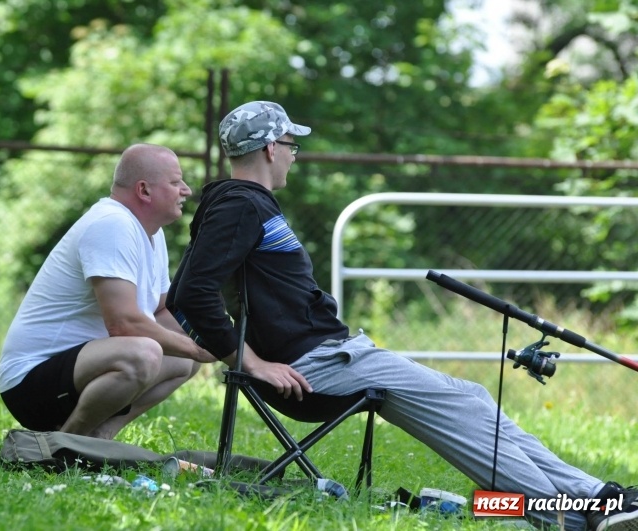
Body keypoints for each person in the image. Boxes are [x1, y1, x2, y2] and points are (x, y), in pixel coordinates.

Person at [167, 101, 637, 531]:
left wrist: (238, 354)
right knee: (464, 405)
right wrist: (249, 363)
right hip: (317, 364)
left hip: (331, 355)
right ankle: (576, 518)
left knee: (471, 396)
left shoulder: (237, 204)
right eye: (292, 146)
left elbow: (185, 291)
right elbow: (191, 292)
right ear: (271, 148)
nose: (294, 155)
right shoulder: (239, 204)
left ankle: (596, 499)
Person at [0, 143, 216, 440]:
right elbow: (123, 324)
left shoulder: (151, 232)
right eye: (176, 182)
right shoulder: (112, 224)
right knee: (146, 353)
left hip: (79, 372)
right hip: (29, 384)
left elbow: (163, 309)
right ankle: (65, 445)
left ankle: (100, 438)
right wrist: (198, 348)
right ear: (144, 191)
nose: (187, 190)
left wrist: (217, 339)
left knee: (181, 360)